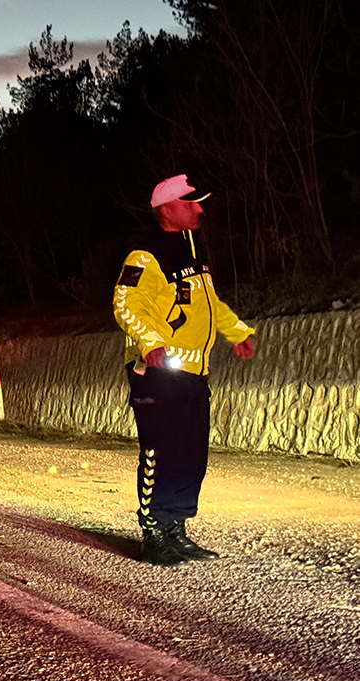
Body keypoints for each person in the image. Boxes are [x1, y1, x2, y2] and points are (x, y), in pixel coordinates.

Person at [112, 174, 256, 566]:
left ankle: (175, 528)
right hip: (157, 371)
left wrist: (236, 332)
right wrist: (150, 341)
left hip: (194, 372)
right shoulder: (146, 254)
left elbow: (211, 305)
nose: (200, 209)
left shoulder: (195, 253)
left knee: (191, 454)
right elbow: (126, 304)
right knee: (161, 451)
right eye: (192, 203)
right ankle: (154, 531)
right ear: (167, 208)